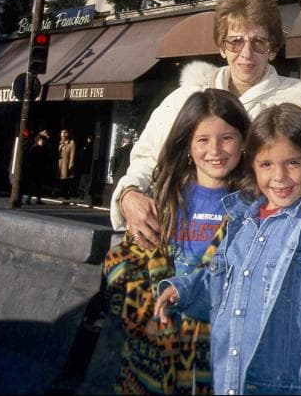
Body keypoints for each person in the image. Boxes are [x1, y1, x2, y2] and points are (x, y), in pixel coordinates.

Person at [153, 104, 301, 395]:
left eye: (292, 163)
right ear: (252, 165)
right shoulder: (241, 224)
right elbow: (224, 289)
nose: (279, 176)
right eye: (266, 164)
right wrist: (184, 290)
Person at [111, 0, 301, 246]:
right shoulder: (185, 99)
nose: (246, 53)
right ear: (222, 47)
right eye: (235, 42)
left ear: (273, 49)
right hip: (184, 237)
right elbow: (146, 160)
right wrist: (129, 194)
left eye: (259, 42)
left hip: (261, 243)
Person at [103, 89, 250, 394]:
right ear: (187, 146)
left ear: (244, 141)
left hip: (218, 363)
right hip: (151, 363)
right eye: (203, 139)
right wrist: (145, 316)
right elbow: (120, 264)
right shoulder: (163, 199)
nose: (215, 150)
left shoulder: (253, 208)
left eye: (227, 138)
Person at [22, 131, 53, 205]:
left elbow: (47, 159)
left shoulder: (45, 149)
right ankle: (28, 199)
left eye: (43, 141)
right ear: (37, 141)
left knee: (40, 185)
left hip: (41, 169)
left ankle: (38, 199)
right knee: (32, 185)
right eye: (40, 141)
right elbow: (30, 158)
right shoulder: (34, 148)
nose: (42, 142)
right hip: (34, 168)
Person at [57, 129, 77, 199]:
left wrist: (71, 163)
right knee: (60, 177)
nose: (62, 137)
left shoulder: (71, 142)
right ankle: (61, 192)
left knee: (66, 177)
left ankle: (66, 193)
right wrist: (61, 145)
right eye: (61, 135)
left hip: (66, 161)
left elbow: (72, 154)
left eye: (63, 135)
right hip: (60, 161)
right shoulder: (60, 142)